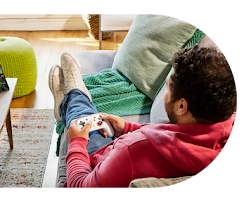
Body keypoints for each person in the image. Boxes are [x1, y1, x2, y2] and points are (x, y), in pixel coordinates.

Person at [48, 45, 237, 188]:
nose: (165, 93)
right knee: (94, 121)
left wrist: (77, 143)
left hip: (93, 171)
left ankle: (71, 95)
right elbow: (178, 137)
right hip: (118, 164)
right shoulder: (226, 122)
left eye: (168, 87)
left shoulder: (132, 151)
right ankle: (71, 97)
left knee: (78, 123)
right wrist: (129, 128)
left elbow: (80, 185)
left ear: (181, 106)